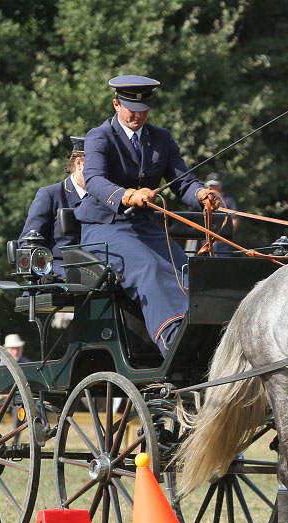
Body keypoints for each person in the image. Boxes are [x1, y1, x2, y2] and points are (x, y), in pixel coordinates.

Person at [74, 75, 220, 355]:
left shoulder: (161, 138)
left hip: (144, 228)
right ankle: (174, 341)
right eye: (131, 108)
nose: (138, 115)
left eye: (144, 110)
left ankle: (207, 339)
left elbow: (183, 182)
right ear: (116, 104)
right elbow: (93, 179)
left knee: (187, 270)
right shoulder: (99, 136)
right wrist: (127, 195)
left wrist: (201, 194)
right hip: (104, 229)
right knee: (149, 268)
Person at [18, 135, 89, 277]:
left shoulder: (105, 199)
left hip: (100, 273)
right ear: (79, 163)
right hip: (59, 278)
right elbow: (27, 245)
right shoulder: (50, 195)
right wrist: (49, 273)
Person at [204, 172, 239, 254]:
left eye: (215, 185)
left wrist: (225, 236)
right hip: (204, 241)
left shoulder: (229, 199)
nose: (212, 187)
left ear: (221, 184)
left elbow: (235, 220)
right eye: (211, 185)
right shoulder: (203, 200)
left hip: (222, 242)